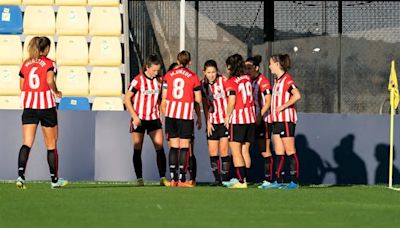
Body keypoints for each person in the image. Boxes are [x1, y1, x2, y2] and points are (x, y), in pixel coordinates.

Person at [16, 36, 67, 189]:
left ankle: (21, 176)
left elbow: (22, 86)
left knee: (27, 143)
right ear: (46, 49)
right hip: (46, 107)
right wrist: (56, 92)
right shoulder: (49, 63)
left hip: (29, 107)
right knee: (51, 144)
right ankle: (54, 180)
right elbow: (50, 80)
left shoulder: (26, 64)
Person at [124, 54, 169, 187]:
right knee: (138, 147)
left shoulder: (159, 81)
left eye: (158, 70)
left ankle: (162, 177)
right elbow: (127, 99)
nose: (156, 73)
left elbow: (162, 98)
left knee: (159, 147)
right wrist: (134, 116)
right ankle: (139, 179)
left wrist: (161, 112)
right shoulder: (138, 80)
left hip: (153, 118)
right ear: (147, 67)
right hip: (139, 119)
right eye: (154, 70)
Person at [161, 50, 202, 187]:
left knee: (173, 147)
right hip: (185, 115)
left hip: (171, 114)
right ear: (189, 62)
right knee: (185, 148)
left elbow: (164, 97)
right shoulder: (193, 77)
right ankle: (182, 179)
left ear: (178, 61)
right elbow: (198, 99)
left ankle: (172, 179)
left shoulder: (168, 75)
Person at [222, 54, 256, 189]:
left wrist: (227, 116)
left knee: (236, 151)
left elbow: (232, 100)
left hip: (238, 119)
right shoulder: (247, 78)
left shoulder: (231, 82)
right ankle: (243, 178)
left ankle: (241, 181)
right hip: (250, 118)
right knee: (244, 150)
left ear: (231, 67)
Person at [269, 54, 301, 189]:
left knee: (289, 150)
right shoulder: (277, 80)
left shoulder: (287, 80)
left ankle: (294, 181)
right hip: (276, 121)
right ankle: (278, 180)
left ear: (277, 64)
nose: (269, 66)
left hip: (286, 120)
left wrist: (283, 106)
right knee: (278, 151)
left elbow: (297, 95)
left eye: (271, 63)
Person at [244, 55, 275, 189]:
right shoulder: (245, 81)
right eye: (245, 68)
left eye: (249, 68)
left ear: (256, 68)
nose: (247, 70)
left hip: (263, 120)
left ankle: (269, 179)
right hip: (248, 120)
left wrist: (259, 115)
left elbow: (268, 102)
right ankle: (241, 179)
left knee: (264, 150)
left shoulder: (263, 81)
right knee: (243, 148)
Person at [201, 60, 230, 186]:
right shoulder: (203, 84)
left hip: (224, 122)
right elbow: (205, 105)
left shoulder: (223, 80)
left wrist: (228, 117)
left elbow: (231, 99)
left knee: (224, 151)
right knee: (213, 152)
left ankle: (225, 179)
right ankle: (217, 179)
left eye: (213, 72)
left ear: (217, 71)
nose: (211, 75)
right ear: (204, 72)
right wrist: (207, 122)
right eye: (208, 72)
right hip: (212, 122)